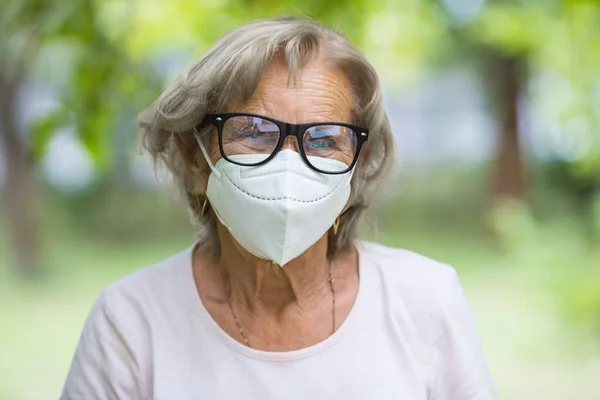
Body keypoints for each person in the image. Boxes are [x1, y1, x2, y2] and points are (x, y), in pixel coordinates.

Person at [61, 17, 493, 400]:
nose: (289, 165)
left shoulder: (425, 301)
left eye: (325, 139)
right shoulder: (131, 320)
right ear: (195, 158)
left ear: (356, 167)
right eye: (253, 131)